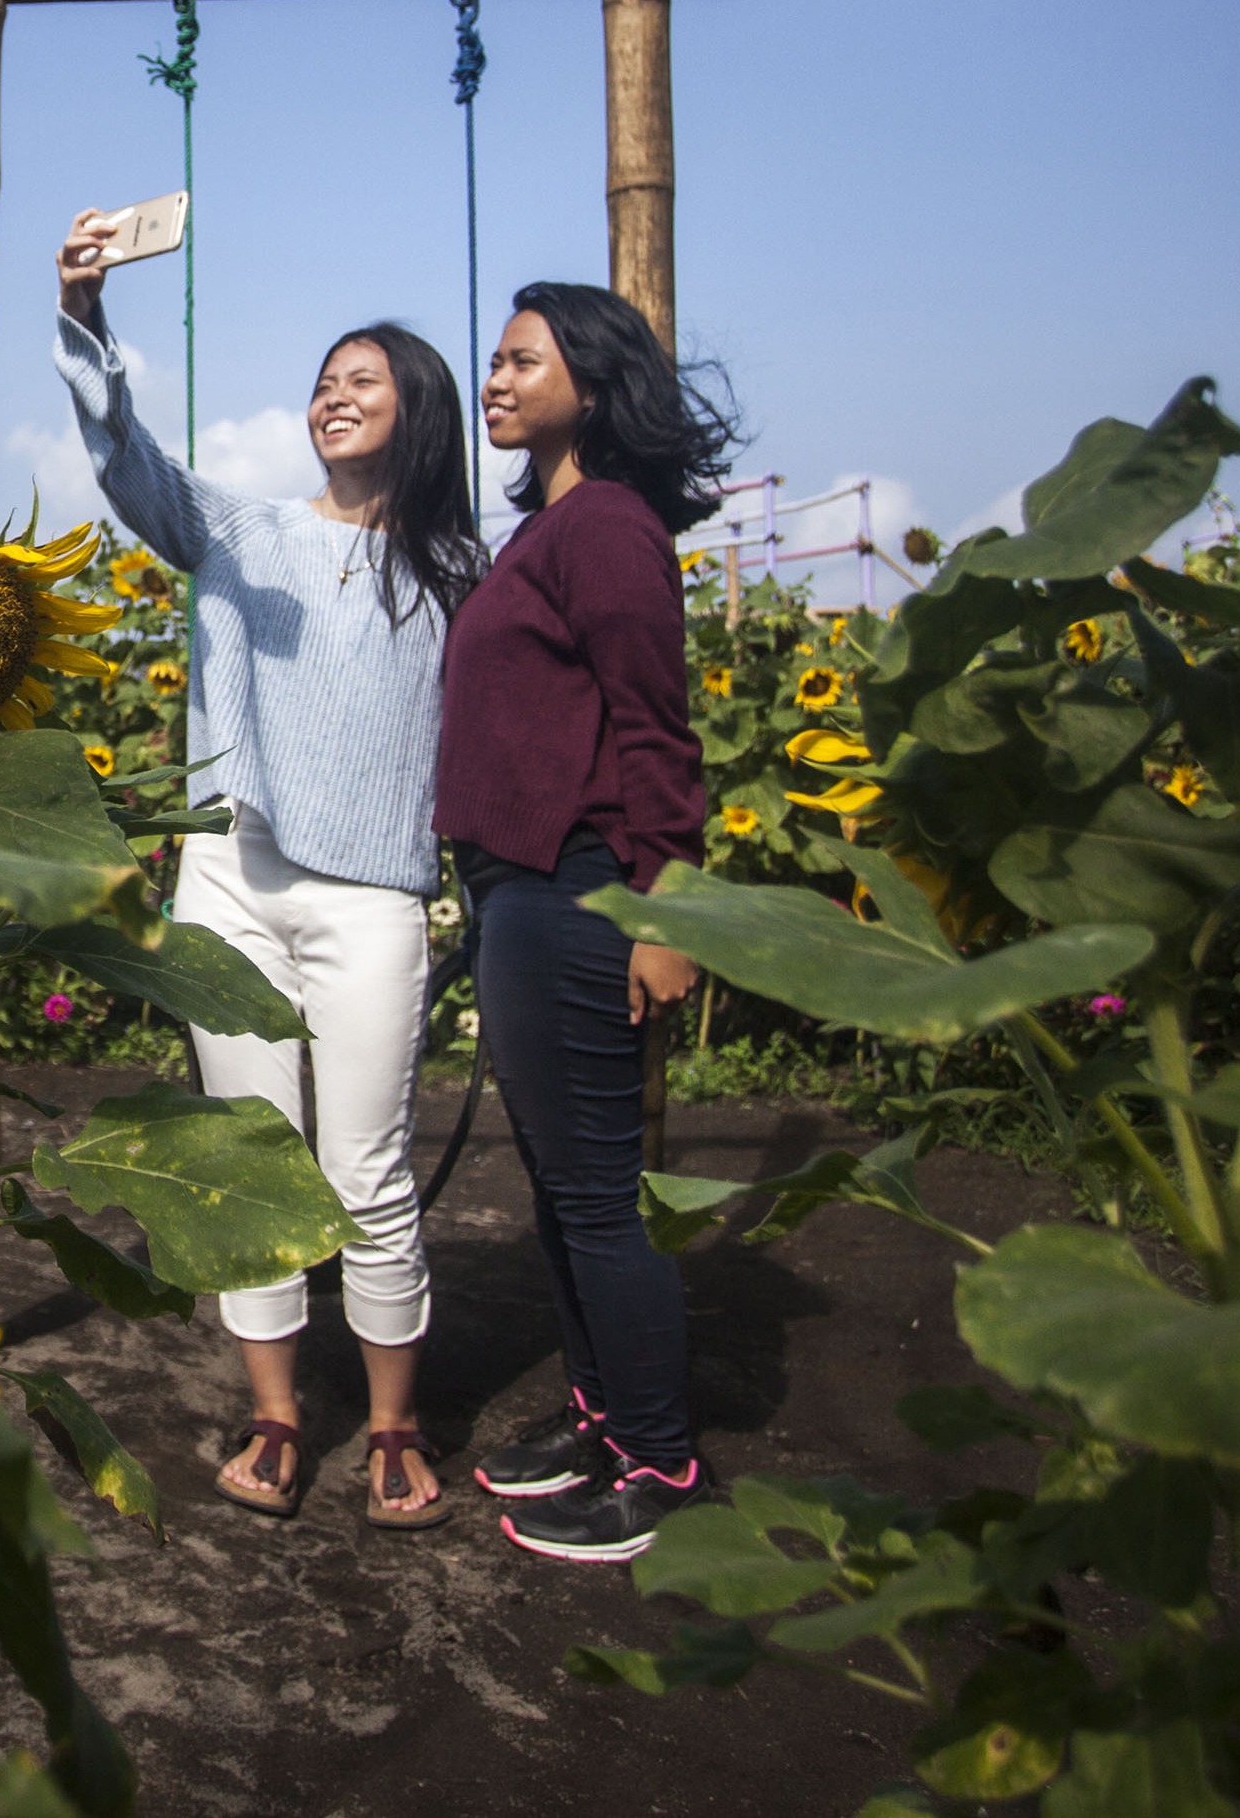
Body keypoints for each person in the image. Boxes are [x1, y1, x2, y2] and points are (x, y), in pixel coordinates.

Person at [51, 207, 486, 1529]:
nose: (331, 397)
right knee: (251, 1157)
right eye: (322, 382)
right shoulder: (235, 530)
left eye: (363, 381)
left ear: (419, 416)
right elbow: (125, 457)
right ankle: (280, 1415)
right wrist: (83, 312)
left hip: (373, 900)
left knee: (366, 1168)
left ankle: (398, 1427)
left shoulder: (458, 572)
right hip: (232, 880)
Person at [436, 280, 738, 1564]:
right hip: (525, 886)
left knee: (598, 1196)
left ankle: (662, 1461)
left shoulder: (606, 526)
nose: (494, 380)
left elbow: (654, 725)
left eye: (520, 362)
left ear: (593, 385)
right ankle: (605, 1420)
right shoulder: (545, 531)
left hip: (582, 885)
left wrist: (666, 905)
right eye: (493, 363)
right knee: (564, 1189)